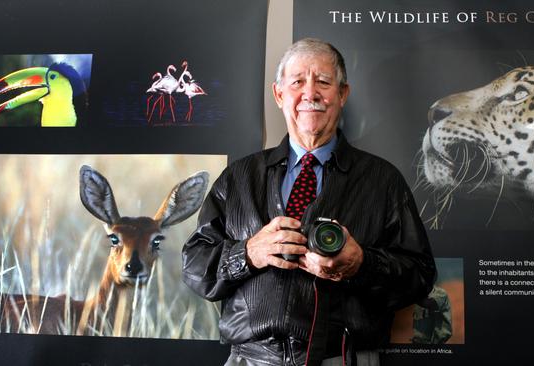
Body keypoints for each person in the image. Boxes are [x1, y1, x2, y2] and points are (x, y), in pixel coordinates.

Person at [182, 38, 436, 366]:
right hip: (251, 360)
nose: (310, 94)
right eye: (298, 81)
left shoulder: (382, 180)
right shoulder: (239, 178)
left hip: (345, 358)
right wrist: (249, 253)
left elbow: (421, 275)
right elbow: (194, 266)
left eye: (324, 82)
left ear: (342, 94)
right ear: (279, 94)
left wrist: (362, 264)